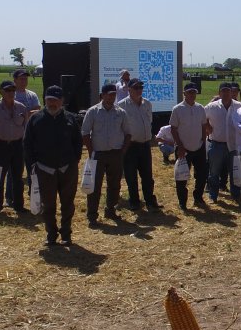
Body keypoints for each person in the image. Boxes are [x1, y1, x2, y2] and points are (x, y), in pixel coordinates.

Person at [24, 86, 83, 247]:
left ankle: (66, 234)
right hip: (45, 169)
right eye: (49, 100)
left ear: (62, 101)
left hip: (67, 169)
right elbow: (27, 144)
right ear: (45, 100)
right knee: (48, 204)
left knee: (67, 203)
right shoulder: (35, 119)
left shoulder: (70, 118)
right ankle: (51, 234)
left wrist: (74, 161)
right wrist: (32, 166)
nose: (52, 103)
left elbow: (78, 142)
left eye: (56, 100)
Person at [81, 84, 130, 225]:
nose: (111, 97)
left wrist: (123, 151)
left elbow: (128, 133)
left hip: (115, 154)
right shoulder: (93, 112)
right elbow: (85, 133)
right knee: (94, 186)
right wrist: (92, 152)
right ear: (102, 95)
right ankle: (92, 215)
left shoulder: (121, 112)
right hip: (98, 154)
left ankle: (110, 210)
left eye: (114, 94)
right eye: (109, 94)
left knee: (114, 185)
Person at [0, 81, 28, 215]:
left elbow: (25, 128)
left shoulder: (21, 108)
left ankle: (18, 205)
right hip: (0, 146)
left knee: (17, 178)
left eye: (13, 90)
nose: (10, 93)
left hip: (17, 146)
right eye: (7, 90)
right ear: (1, 92)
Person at [118, 78, 159, 211]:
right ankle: (134, 201)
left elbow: (149, 122)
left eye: (141, 87)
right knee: (131, 175)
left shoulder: (147, 103)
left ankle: (149, 201)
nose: (139, 90)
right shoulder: (121, 105)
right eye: (136, 88)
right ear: (129, 89)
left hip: (145, 144)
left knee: (147, 175)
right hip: (131, 146)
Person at [169, 83, 210, 211]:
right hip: (183, 149)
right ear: (184, 94)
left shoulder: (200, 108)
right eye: (189, 92)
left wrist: (203, 141)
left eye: (194, 92)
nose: (192, 95)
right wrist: (180, 146)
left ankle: (198, 197)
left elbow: (204, 125)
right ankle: (182, 202)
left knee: (202, 175)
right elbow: (173, 129)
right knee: (182, 177)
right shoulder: (177, 109)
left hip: (199, 147)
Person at [204, 82, 241, 202]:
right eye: (223, 91)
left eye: (228, 91)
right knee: (214, 172)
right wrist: (207, 127)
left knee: (234, 171)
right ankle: (213, 195)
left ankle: (235, 194)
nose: (225, 93)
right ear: (219, 93)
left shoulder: (238, 106)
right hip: (216, 144)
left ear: (232, 92)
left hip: (234, 145)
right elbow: (202, 119)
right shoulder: (211, 107)